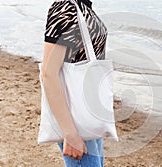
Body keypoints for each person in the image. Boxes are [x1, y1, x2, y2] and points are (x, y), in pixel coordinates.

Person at [41, 0, 108, 166]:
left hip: (88, 114)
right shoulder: (66, 8)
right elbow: (49, 74)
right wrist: (70, 133)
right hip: (76, 120)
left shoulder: (82, 5)